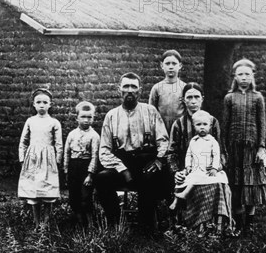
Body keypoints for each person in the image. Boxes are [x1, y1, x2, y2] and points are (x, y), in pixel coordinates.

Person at [95, 72, 169, 229]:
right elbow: (104, 150)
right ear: (119, 90)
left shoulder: (150, 111)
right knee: (102, 179)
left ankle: (147, 227)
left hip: (145, 161)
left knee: (151, 179)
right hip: (121, 163)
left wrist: (158, 161)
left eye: (133, 87)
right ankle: (116, 222)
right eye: (126, 86)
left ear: (140, 91)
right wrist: (122, 169)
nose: (129, 90)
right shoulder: (111, 116)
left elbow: (163, 141)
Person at [167, 83, 232, 233]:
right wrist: (177, 171)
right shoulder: (178, 124)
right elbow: (171, 153)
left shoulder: (212, 122)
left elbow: (221, 150)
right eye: (189, 97)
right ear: (184, 100)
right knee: (186, 182)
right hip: (188, 168)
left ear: (202, 99)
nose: (193, 101)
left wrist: (218, 165)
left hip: (209, 167)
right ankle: (189, 226)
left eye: (197, 97)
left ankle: (216, 227)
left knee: (220, 183)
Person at [222, 59, 266, 235]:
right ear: (235, 76)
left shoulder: (258, 98)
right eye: (240, 74)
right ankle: (238, 222)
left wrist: (261, 147)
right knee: (236, 183)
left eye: (247, 74)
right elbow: (225, 126)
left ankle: (250, 223)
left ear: (252, 76)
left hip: (252, 148)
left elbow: (262, 124)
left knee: (251, 184)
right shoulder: (229, 98)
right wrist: (224, 151)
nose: (244, 78)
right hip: (234, 149)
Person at [18, 88, 63, 230]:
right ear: (34, 105)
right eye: (38, 102)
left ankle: (46, 222)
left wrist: (58, 160)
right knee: (34, 192)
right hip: (32, 159)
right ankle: (36, 223)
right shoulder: (30, 121)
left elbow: (59, 143)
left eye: (45, 102)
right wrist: (22, 158)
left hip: (48, 160)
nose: (42, 105)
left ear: (50, 104)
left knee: (47, 191)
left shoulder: (54, 122)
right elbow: (23, 141)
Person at [64, 101, 100, 227]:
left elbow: (95, 156)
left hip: (86, 167)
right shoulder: (72, 134)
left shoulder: (94, 136)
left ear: (93, 118)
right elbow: (67, 153)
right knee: (74, 197)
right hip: (74, 167)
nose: (86, 120)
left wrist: (90, 174)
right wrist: (66, 171)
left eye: (89, 117)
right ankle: (79, 222)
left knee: (86, 197)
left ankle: (90, 224)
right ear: (77, 118)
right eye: (83, 117)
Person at [149, 49, 187, 134]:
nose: (171, 66)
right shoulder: (157, 88)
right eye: (167, 63)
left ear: (180, 65)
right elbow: (151, 112)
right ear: (162, 65)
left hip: (180, 130)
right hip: (161, 130)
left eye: (174, 63)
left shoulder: (184, 87)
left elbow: (188, 111)